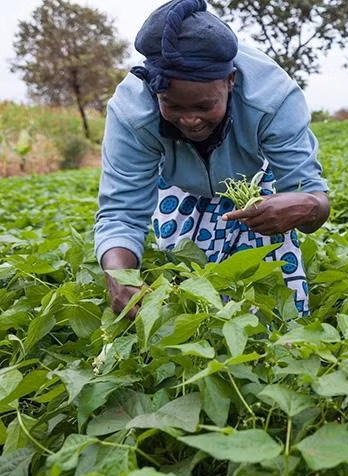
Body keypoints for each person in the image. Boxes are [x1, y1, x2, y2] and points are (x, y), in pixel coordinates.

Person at [95, 0, 329, 319]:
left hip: (253, 187)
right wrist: (119, 277)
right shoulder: (131, 112)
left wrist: (307, 207)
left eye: (205, 107)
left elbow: (312, 194)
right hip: (178, 184)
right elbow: (121, 212)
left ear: (231, 80)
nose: (190, 120)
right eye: (173, 106)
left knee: (272, 306)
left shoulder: (273, 98)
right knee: (191, 298)